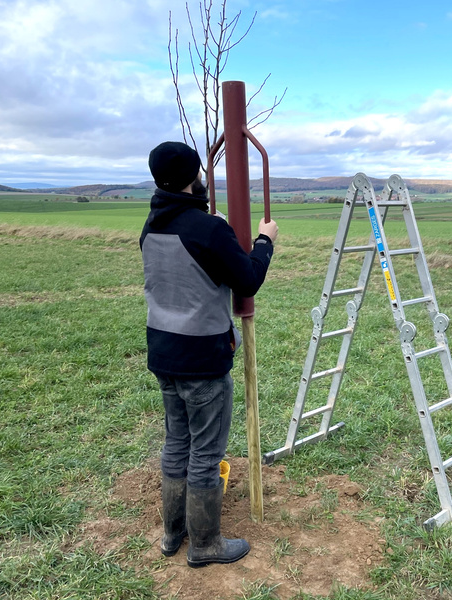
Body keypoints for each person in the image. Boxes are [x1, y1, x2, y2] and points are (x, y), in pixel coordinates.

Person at [140, 141, 278, 568]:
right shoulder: (207, 229)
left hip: (163, 354)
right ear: (195, 175)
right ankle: (205, 545)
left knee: (176, 443)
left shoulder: (151, 226)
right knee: (204, 453)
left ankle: (172, 533)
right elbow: (247, 280)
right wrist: (264, 241)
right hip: (202, 358)